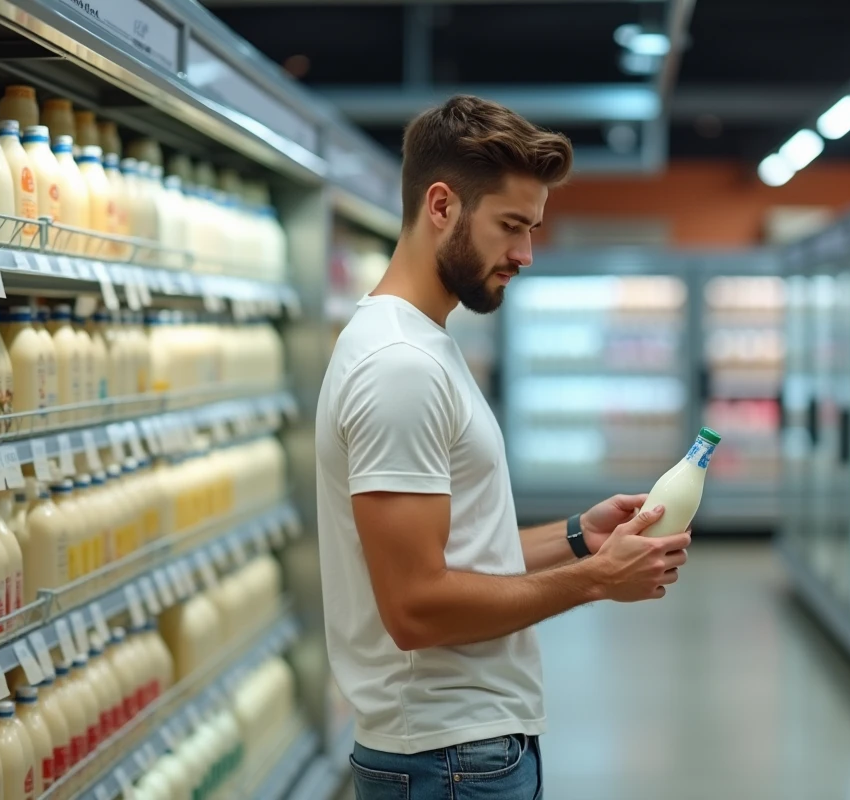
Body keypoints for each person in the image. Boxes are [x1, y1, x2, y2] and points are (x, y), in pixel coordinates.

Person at [314, 94, 693, 800]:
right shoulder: (400, 366)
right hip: (446, 759)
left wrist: (578, 538)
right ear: (441, 206)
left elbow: (460, 558)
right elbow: (416, 607)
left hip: (462, 751)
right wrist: (596, 580)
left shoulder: (423, 345)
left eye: (532, 229)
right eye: (510, 226)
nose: (524, 254)